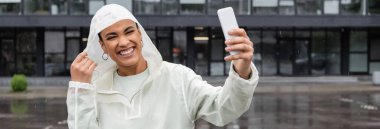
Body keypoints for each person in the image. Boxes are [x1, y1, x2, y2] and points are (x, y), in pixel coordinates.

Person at [66, 4, 259, 129]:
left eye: (129, 31)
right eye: (112, 36)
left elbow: (225, 109)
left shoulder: (178, 78)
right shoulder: (96, 89)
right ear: (102, 46)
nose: (123, 42)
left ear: (140, 34)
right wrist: (80, 91)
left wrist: (242, 72)